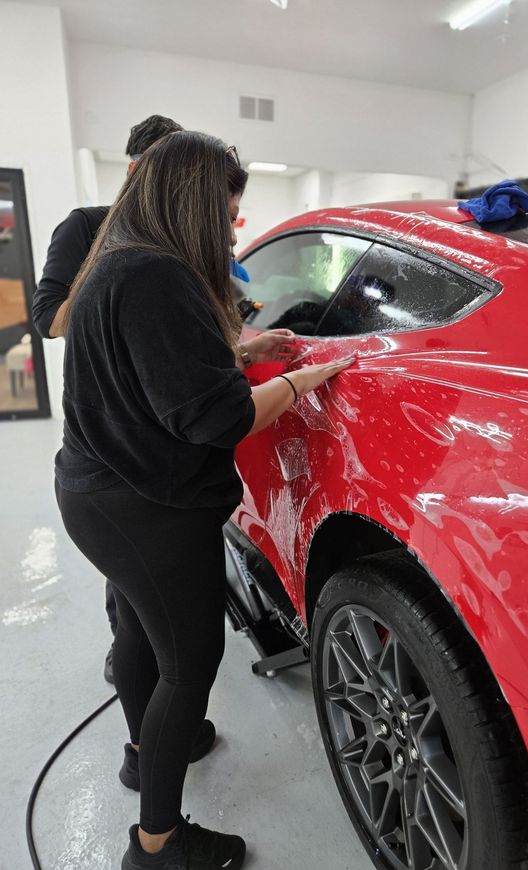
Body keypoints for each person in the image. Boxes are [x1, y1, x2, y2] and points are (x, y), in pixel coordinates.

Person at [54, 130, 353, 870]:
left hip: (97, 491)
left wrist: (239, 352)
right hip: (146, 505)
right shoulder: (160, 277)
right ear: (194, 203)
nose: (231, 227)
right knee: (188, 664)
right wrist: (302, 382)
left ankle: (145, 751)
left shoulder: (119, 263)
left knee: (136, 631)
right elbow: (215, 418)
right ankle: (157, 844)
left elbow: (152, 371)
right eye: (226, 212)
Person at [33, 115, 184, 682]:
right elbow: (49, 318)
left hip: (168, 421)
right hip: (109, 422)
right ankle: (133, 674)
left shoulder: (178, 240)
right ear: (135, 169)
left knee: (165, 572)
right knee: (127, 574)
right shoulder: (87, 228)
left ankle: (156, 671)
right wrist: (115, 287)